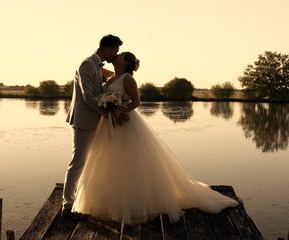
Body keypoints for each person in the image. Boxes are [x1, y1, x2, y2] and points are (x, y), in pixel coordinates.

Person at [71, 52, 239, 224]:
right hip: (107, 125)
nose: (116, 55)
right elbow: (94, 70)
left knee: (129, 161)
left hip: (124, 123)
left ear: (126, 62)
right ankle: (107, 199)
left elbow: (136, 102)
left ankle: (134, 201)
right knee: (106, 160)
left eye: (120, 55)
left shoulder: (128, 79)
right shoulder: (112, 76)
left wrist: (120, 111)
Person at [62, 34, 123, 220]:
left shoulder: (96, 66)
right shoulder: (87, 64)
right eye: (115, 51)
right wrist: (107, 112)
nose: (115, 55)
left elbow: (110, 80)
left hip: (93, 119)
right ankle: (67, 205)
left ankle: (81, 198)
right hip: (83, 119)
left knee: (88, 160)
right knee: (78, 161)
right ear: (109, 48)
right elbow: (88, 96)